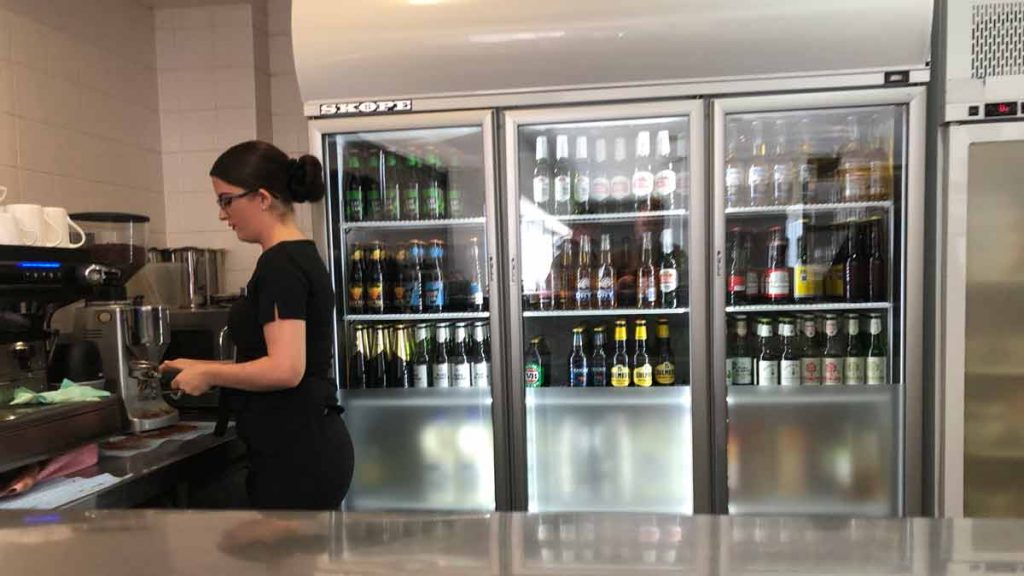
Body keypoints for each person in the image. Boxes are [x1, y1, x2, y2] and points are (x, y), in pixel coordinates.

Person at [160, 140, 354, 510]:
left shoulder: (281, 265)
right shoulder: (297, 255)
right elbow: (280, 358)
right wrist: (201, 366)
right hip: (303, 445)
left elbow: (286, 370)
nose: (222, 213)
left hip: (298, 456)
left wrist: (212, 375)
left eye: (226, 200)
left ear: (262, 198)